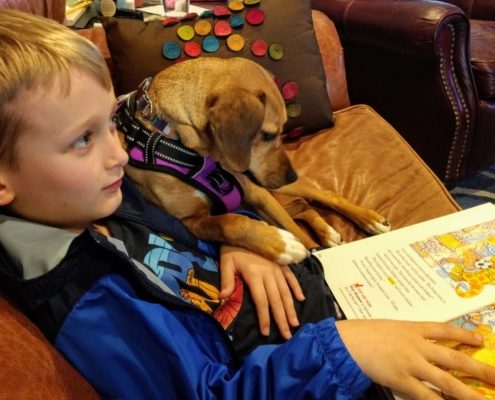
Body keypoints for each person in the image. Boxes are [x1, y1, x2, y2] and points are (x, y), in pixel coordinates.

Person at [0, 9, 494, 400]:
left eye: (111, 122)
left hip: (325, 311)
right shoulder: (90, 300)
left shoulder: (96, 199)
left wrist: (232, 244)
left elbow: (193, 226)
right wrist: (346, 353)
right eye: (83, 139)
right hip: (323, 363)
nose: (120, 151)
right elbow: (210, 391)